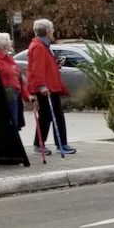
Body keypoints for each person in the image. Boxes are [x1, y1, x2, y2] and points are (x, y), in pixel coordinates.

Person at [25, 19, 75, 155]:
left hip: (50, 85)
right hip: (47, 87)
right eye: (52, 30)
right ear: (47, 31)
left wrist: (55, 64)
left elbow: (43, 67)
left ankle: (50, 144)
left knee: (50, 115)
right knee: (50, 115)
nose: (53, 32)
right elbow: (37, 68)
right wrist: (41, 85)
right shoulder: (39, 47)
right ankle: (54, 144)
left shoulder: (41, 45)